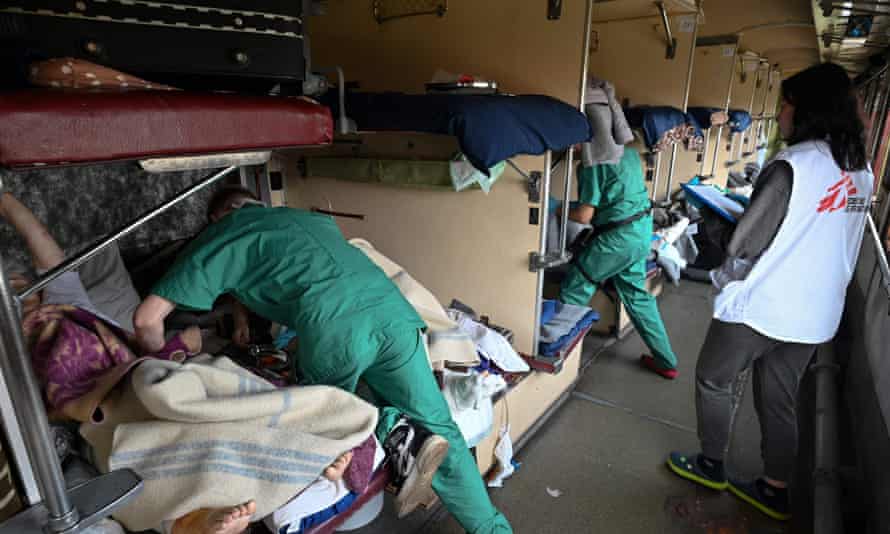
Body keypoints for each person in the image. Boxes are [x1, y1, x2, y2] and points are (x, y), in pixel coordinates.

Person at [133, 186, 512, 534]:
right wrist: (241, 319)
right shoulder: (304, 218)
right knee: (440, 425)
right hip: (394, 313)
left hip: (334, 328)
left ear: (219, 217)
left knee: (327, 421)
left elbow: (145, 319)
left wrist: (158, 371)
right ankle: (491, 527)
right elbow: (269, 269)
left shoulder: (220, 234)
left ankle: (392, 427)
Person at [667, 63, 873, 521]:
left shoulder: (791, 167)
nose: (779, 113)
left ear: (808, 110)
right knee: (779, 397)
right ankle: (775, 487)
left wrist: (718, 230)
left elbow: (747, 244)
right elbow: (832, 229)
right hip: (816, 312)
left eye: (785, 103)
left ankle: (711, 463)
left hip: (763, 304)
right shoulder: (861, 170)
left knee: (713, 379)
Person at [559, 145, 680, 379]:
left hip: (617, 239)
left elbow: (585, 216)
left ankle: (559, 361)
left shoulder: (591, 162)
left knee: (575, 287)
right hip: (640, 231)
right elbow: (613, 197)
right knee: (637, 296)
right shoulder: (629, 152)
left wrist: (555, 208)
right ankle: (666, 361)